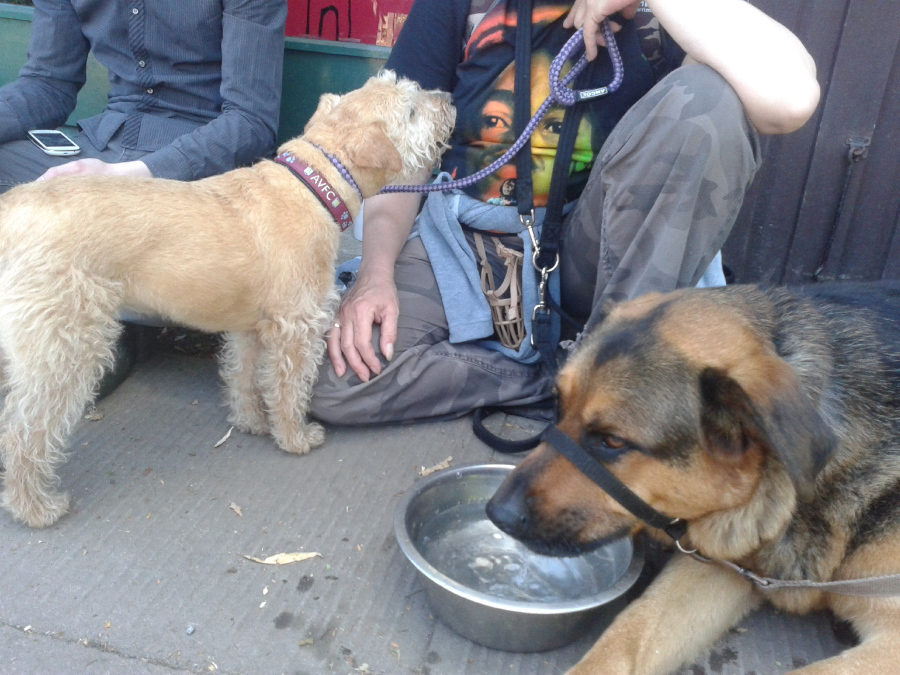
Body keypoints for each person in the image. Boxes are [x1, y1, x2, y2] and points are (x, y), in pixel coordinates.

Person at [310, 0, 820, 424]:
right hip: (466, 244)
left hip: (596, 250)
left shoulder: (664, 14)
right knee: (325, 378)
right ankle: (559, 380)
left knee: (711, 101)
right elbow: (399, 148)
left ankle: (618, 379)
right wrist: (374, 276)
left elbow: (789, 99)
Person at [0, 0, 289, 394]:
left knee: (105, 222)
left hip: (194, 173)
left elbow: (250, 122)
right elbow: (48, 83)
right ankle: (62, 323)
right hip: (103, 144)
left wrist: (128, 178)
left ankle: (97, 332)